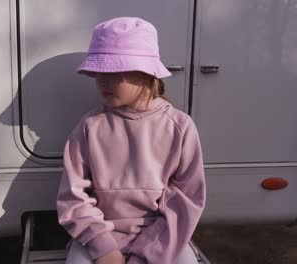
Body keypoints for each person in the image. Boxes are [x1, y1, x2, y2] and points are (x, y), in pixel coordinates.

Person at [56, 17, 206, 264]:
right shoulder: (90, 126)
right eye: (98, 72)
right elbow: (72, 195)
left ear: (147, 74)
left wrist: (147, 255)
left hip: (162, 238)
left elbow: (185, 201)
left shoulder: (180, 127)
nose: (103, 81)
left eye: (115, 72)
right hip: (100, 236)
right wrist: (103, 247)